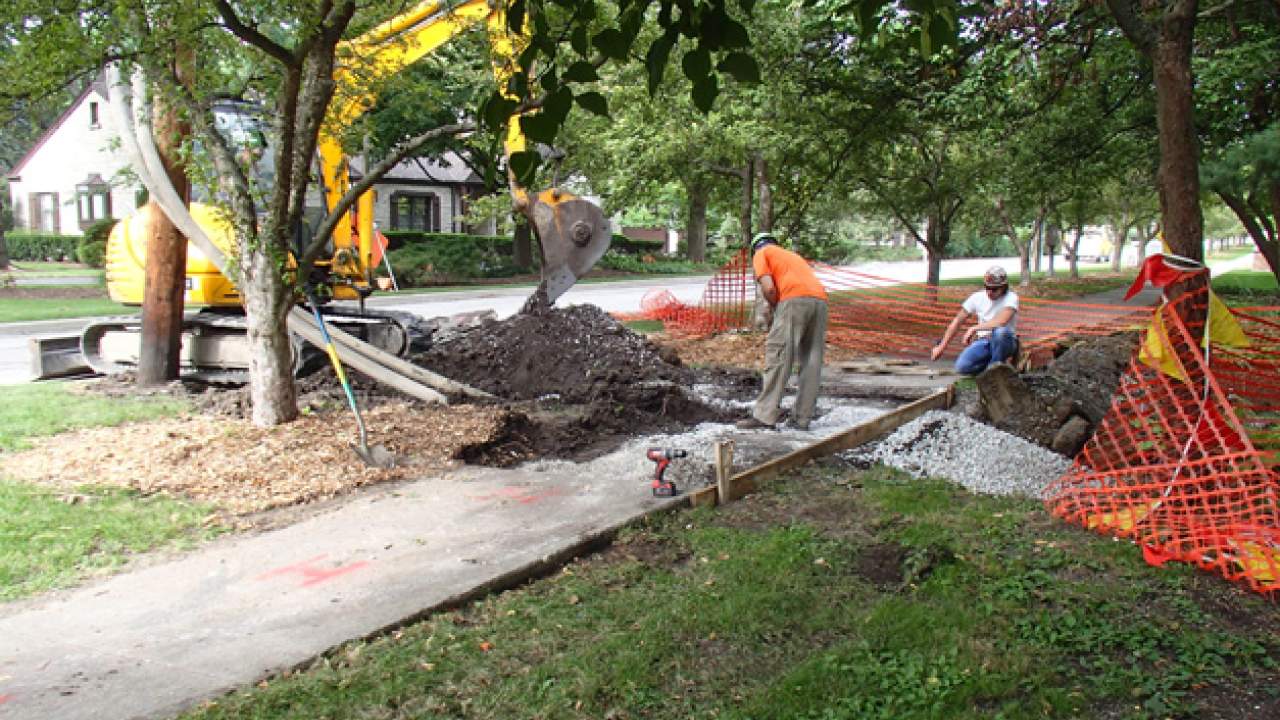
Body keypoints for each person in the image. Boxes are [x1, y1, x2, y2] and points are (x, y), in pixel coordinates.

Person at [736, 232, 829, 431]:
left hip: (793, 302)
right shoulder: (793, 256)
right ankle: (802, 419)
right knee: (812, 361)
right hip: (820, 302)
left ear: (756, 247)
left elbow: (769, 288)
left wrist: (777, 308)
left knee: (778, 355)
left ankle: (764, 416)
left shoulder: (762, 253)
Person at [931, 266, 1020, 375]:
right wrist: (941, 347)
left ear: (1003, 287)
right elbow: (958, 320)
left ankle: (995, 371)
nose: (990, 292)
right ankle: (994, 367)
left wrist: (974, 328)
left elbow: (1001, 321)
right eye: (987, 287)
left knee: (1000, 332)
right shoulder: (977, 297)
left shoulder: (1011, 298)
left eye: (994, 289)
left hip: (1005, 340)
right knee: (962, 367)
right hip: (983, 341)